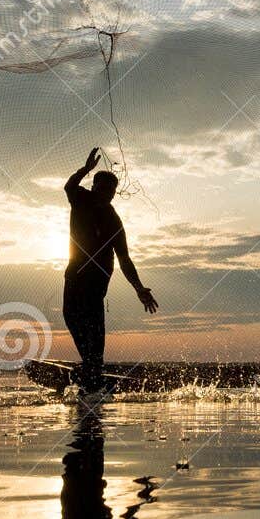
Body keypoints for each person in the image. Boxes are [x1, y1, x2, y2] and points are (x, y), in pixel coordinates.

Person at [63, 147, 158, 394]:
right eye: (104, 189)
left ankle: (92, 368)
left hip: (97, 280)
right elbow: (68, 187)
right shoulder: (81, 198)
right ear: (95, 187)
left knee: (93, 325)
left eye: (112, 192)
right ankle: (91, 366)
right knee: (72, 316)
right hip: (75, 274)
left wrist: (139, 288)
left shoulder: (114, 220)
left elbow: (125, 258)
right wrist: (85, 169)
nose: (108, 195)